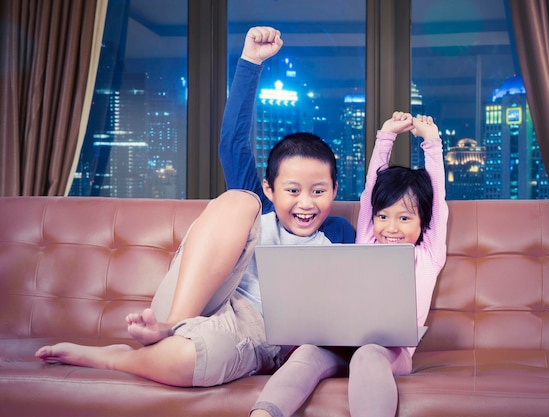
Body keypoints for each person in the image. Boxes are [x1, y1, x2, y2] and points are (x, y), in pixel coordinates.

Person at [35, 26, 354, 387]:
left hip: (250, 332)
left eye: (319, 191)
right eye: (293, 190)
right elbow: (232, 142)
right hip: (192, 303)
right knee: (238, 200)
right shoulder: (259, 203)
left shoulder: (339, 232)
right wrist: (251, 61)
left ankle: (119, 358)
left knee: (185, 361)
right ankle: (172, 326)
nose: (306, 203)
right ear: (271, 187)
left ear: (335, 190)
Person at [249, 112, 448, 417]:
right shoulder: (367, 240)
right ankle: (263, 414)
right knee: (307, 352)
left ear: (424, 223)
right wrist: (385, 136)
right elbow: (370, 193)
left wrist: (431, 143)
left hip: (390, 353)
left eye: (405, 218)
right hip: (341, 345)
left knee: (368, 354)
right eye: (383, 217)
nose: (391, 227)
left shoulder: (428, 254)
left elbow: (438, 201)